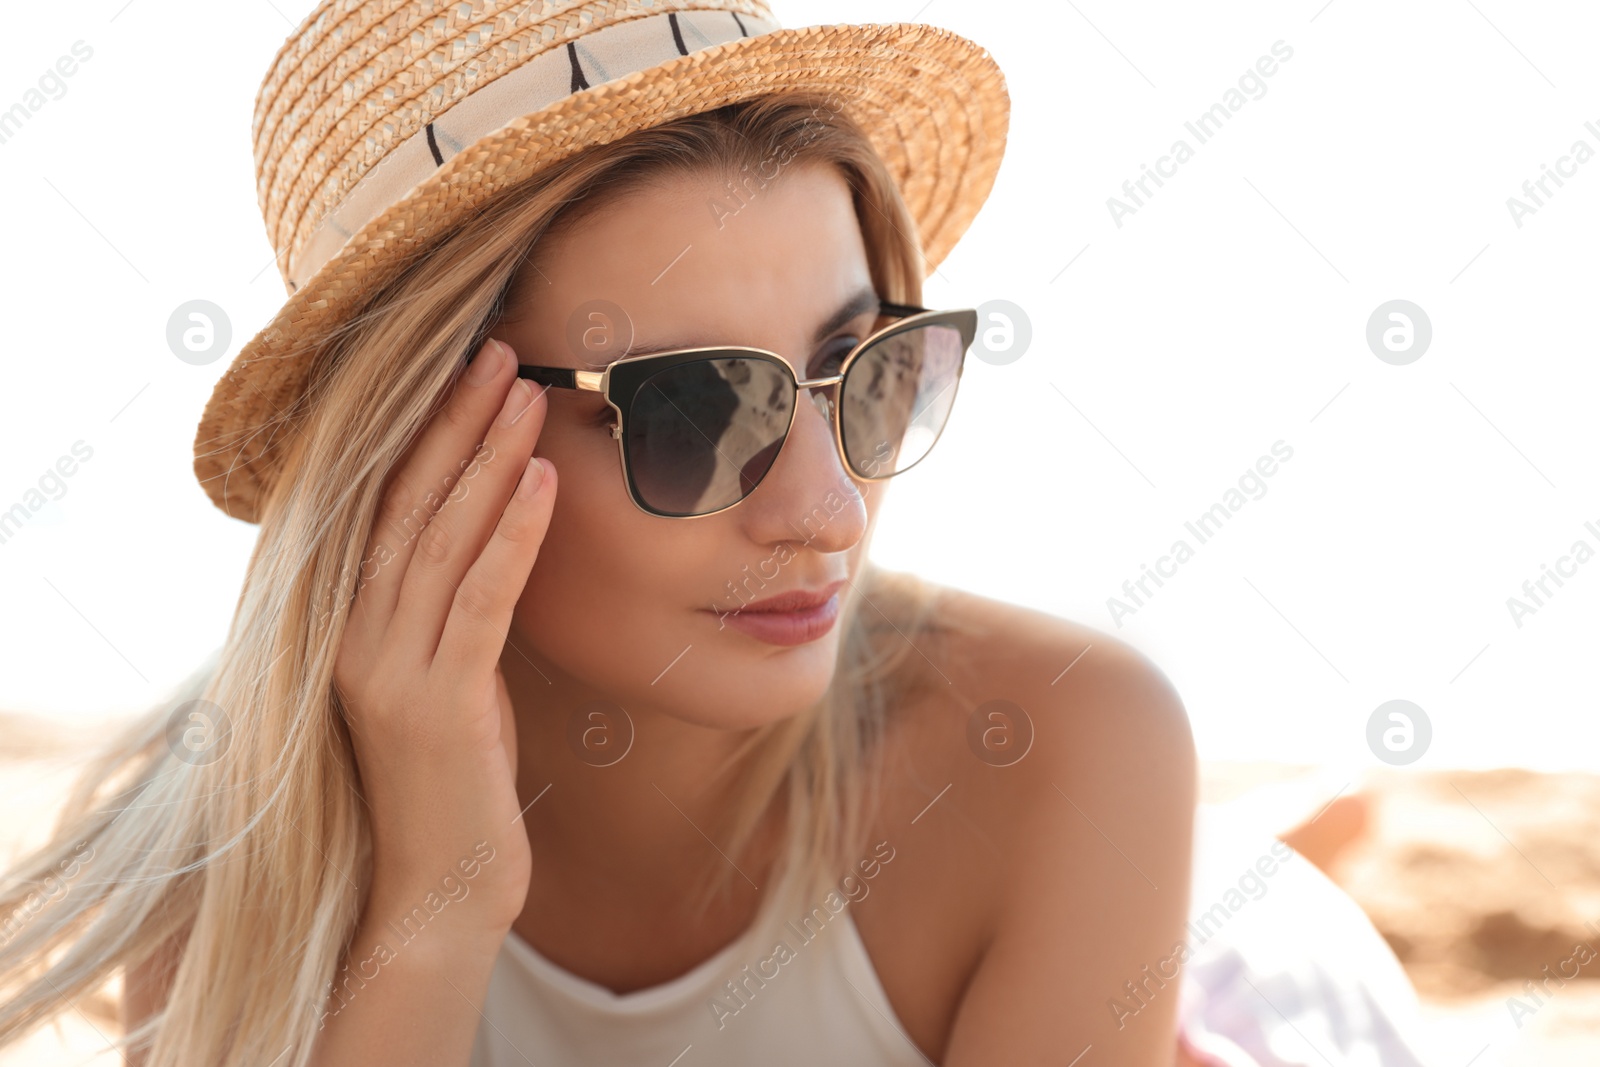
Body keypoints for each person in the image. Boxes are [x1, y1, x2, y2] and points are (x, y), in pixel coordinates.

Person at [0, 4, 1434, 1065]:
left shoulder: (1073, 741)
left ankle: (1290, 852)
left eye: (868, 373)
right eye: (693, 410)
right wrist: (436, 910)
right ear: (414, 455)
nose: (823, 512)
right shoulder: (224, 854)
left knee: (1242, 925)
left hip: (1258, 1006)